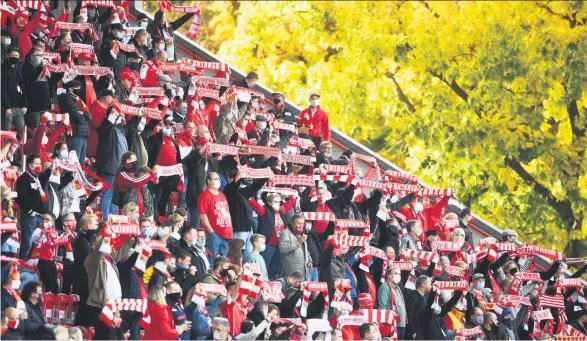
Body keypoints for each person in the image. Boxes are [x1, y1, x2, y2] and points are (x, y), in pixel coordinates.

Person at [15, 155, 47, 260]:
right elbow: (20, 198)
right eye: (37, 163)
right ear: (30, 165)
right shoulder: (23, 179)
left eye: (40, 163)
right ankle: (23, 267)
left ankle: (32, 267)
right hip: (30, 217)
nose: (39, 166)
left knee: (37, 245)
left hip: (39, 216)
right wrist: (30, 211)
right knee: (27, 244)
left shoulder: (37, 178)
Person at [198, 172, 233, 260]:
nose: (218, 181)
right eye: (215, 179)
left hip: (225, 233)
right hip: (214, 234)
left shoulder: (222, 195)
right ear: (208, 181)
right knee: (212, 260)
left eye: (218, 179)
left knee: (223, 262)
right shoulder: (204, 196)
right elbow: (202, 216)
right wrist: (211, 232)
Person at [58, 80, 92, 164]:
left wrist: (83, 113)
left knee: (81, 166)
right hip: (75, 134)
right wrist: (83, 114)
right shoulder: (67, 100)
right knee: (74, 164)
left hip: (83, 134)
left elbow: (89, 116)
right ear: (70, 89)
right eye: (77, 88)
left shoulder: (78, 101)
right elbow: (79, 119)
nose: (79, 91)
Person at [1, 48, 27, 141]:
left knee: (21, 131)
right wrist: (7, 106)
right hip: (8, 107)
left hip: (19, 107)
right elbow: (2, 89)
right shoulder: (3, 68)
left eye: (16, 56)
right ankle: (5, 154)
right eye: (12, 55)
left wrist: (25, 104)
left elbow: (23, 87)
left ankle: (16, 153)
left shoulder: (17, 68)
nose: (14, 57)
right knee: (6, 132)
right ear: (8, 56)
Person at [279, 214, 312, 279]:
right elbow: (282, 249)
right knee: (293, 289)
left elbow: (305, 250)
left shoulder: (300, 234)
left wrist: (309, 261)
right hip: (292, 272)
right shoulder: (285, 233)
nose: (301, 226)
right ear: (292, 223)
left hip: (303, 271)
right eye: (298, 223)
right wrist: (298, 242)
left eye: (302, 223)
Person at [377, 267, 407, 339]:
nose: (398, 276)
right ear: (389, 276)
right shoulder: (385, 287)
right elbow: (382, 306)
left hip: (401, 323)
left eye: (399, 274)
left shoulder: (398, 288)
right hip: (391, 324)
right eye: (396, 273)